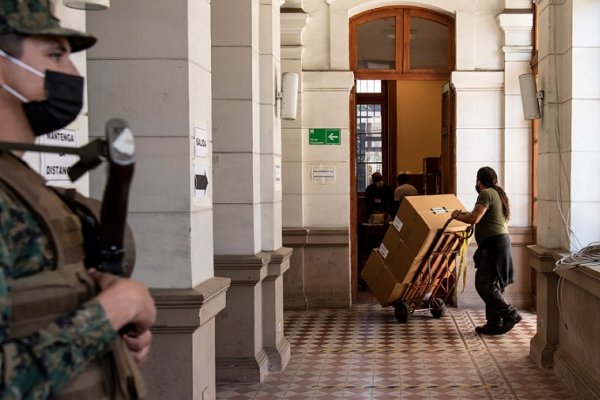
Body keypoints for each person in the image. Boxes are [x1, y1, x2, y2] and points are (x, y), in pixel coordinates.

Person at [0, 1, 156, 398]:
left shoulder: (21, 181)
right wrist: (113, 311)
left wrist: (110, 345)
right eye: (54, 54)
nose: (71, 73)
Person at [451, 166, 521, 335]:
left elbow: (474, 218)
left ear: (479, 180)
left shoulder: (486, 193)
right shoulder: (497, 193)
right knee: (492, 284)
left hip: (493, 246)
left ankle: (510, 313)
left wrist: (456, 215)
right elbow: (479, 215)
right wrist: (465, 214)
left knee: (483, 284)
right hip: (499, 244)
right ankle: (493, 323)